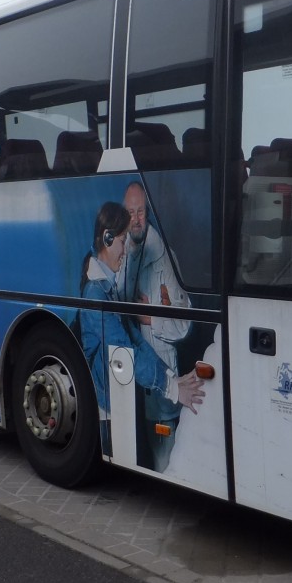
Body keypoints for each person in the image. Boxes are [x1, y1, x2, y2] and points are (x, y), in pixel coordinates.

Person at [78, 201, 204, 458]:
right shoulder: (96, 293)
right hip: (105, 407)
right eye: (123, 241)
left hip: (116, 399)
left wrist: (172, 377)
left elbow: (134, 339)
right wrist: (173, 389)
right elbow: (126, 352)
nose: (125, 250)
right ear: (108, 237)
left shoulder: (106, 285)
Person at [118, 181, 197, 471]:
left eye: (140, 212)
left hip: (159, 381)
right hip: (128, 377)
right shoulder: (120, 253)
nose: (136, 219)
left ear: (148, 213)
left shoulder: (166, 258)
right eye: (130, 212)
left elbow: (184, 327)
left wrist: (151, 318)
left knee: (163, 462)